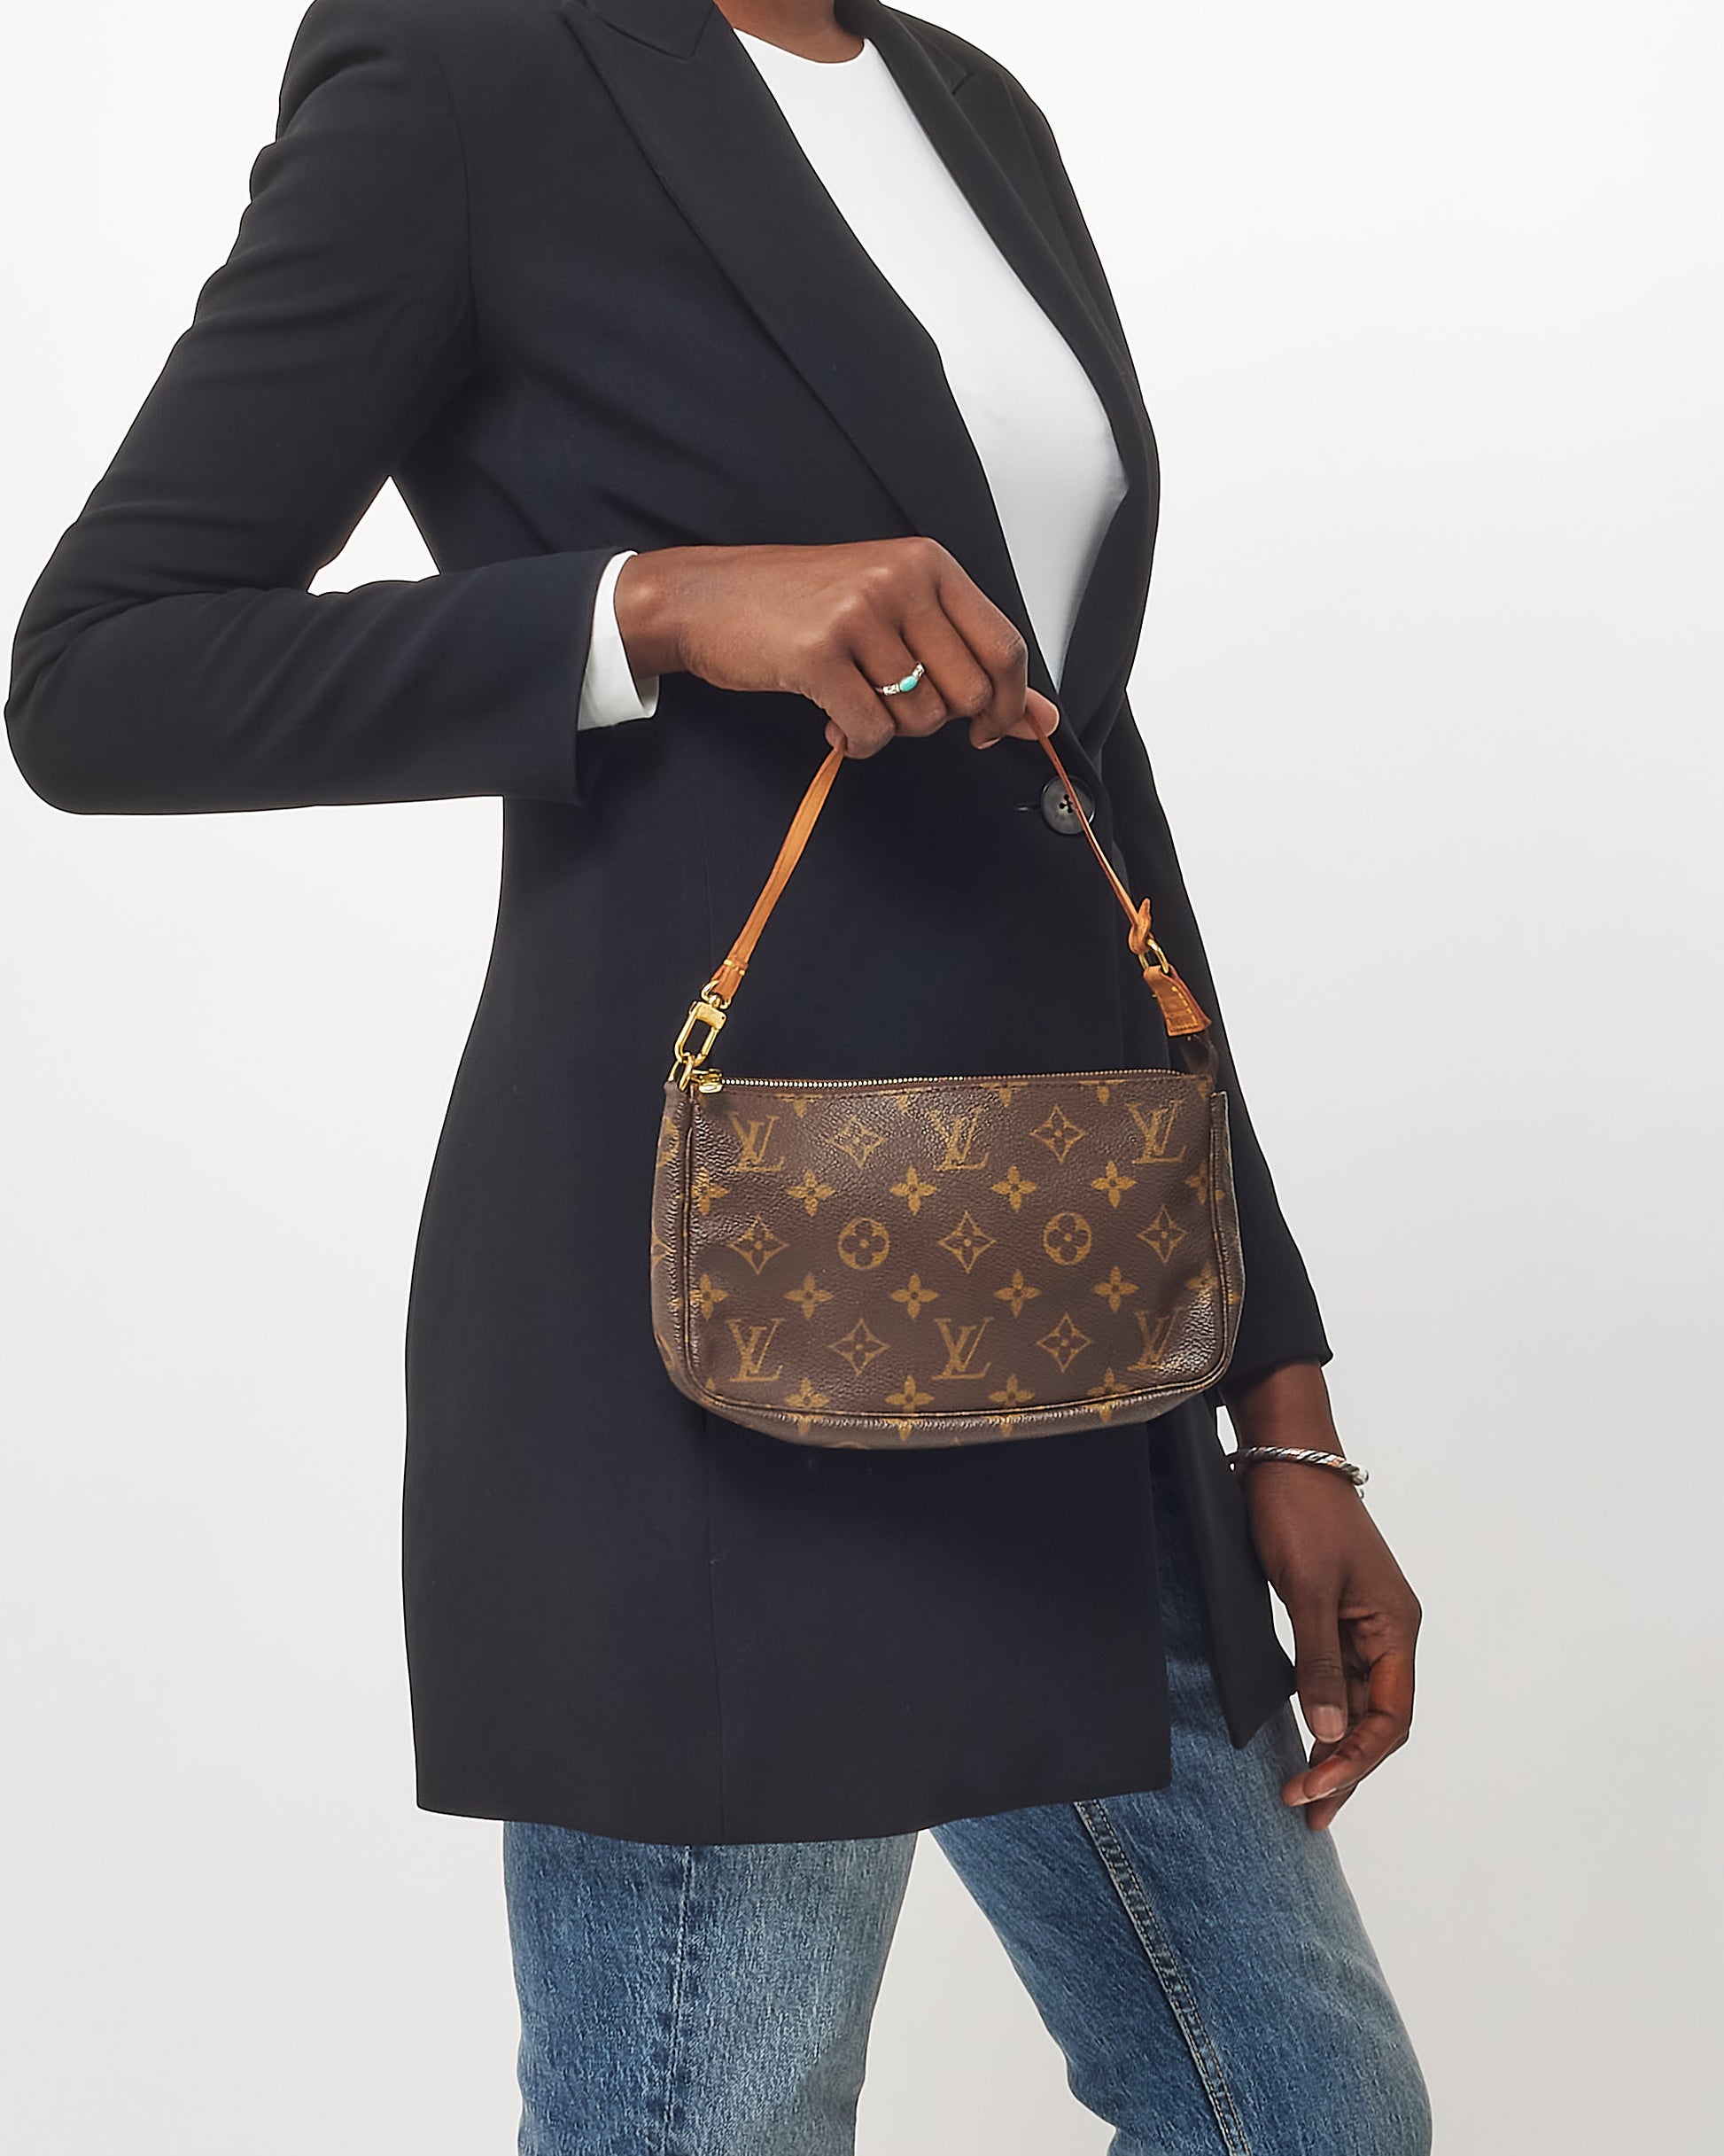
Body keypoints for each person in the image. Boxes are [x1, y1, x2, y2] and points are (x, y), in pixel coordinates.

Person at [6, 0, 1432, 2147]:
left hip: (1072, 1332)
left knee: (1312, 2113)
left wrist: (1281, 1398)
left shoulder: (973, 112)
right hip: (716, 1341)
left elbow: (1090, 787)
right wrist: (647, 607)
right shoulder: (474, 71)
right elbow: (101, 676)